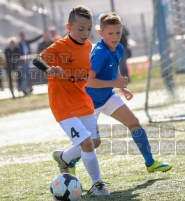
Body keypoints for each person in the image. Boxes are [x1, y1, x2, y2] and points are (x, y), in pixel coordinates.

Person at [68, 12, 172, 175]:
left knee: (134, 122)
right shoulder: (99, 53)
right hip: (90, 103)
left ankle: (151, 163)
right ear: (101, 33)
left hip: (108, 97)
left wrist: (121, 88)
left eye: (118, 32)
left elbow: (114, 66)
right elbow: (89, 81)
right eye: (110, 33)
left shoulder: (119, 48)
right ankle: (69, 162)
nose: (115, 37)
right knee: (91, 142)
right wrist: (115, 83)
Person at [32, 5, 117, 196]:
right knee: (86, 143)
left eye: (88, 29)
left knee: (95, 142)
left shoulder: (90, 48)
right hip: (63, 104)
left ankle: (64, 157)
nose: (85, 33)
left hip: (82, 100)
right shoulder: (60, 47)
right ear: (68, 27)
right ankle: (98, 184)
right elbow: (37, 59)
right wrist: (49, 69)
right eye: (81, 29)